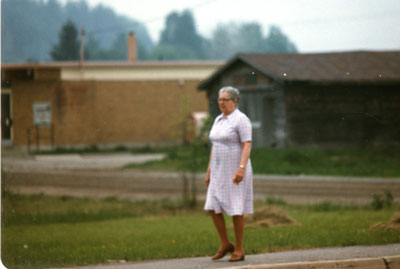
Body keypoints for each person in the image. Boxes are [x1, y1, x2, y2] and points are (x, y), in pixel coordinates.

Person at [204, 86, 253, 262]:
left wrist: (241, 167)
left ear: (235, 101)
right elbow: (214, 146)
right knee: (211, 205)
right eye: (220, 100)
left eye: (225, 99)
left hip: (234, 169)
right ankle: (225, 243)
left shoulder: (241, 120)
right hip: (218, 169)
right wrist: (209, 170)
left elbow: (247, 144)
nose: (222, 103)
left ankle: (239, 249)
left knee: (236, 208)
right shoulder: (218, 119)